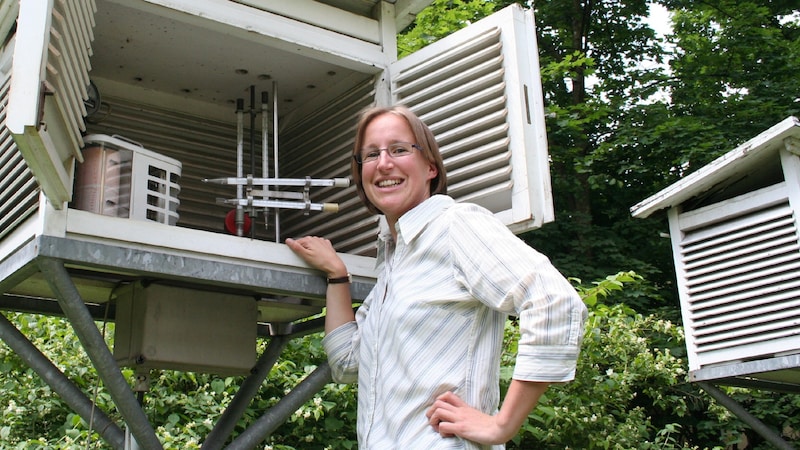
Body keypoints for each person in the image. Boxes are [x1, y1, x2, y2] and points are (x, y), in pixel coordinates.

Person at [286, 105, 587, 449]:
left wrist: (501, 425)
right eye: (371, 154)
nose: (384, 163)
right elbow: (348, 364)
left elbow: (554, 302)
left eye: (399, 149)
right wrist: (338, 276)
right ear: (361, 174)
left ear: (430, 166)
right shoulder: (394, 267)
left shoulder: (456, 225)